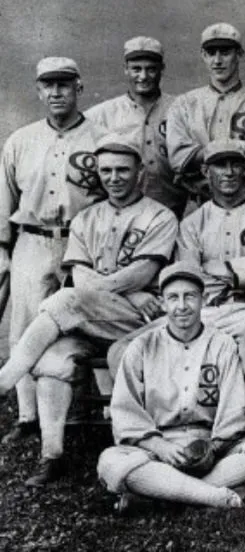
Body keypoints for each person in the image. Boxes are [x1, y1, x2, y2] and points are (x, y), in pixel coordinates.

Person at [0, 133, 177, 486]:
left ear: (140, 172)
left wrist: (130, 295)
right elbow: (80, 276)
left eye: (122, 170)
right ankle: (52, 456)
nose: (114, 178)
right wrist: (130, 293)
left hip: (138, 323)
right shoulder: (86, 218)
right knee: (52, 361)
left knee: (66, 300)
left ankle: (6, 378)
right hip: (92, 316)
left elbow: (143, 272)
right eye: (106, 171)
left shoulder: (160, 216)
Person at [108, 139, 245, 429]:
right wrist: (243, 269)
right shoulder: (192, 223)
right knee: (125, 348)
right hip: (206, 310)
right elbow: (193, 279)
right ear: (206, 171)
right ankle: (148, 430)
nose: (228, 172)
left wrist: (218, 267)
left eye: (235, 164)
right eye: (220, 165)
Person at [96, 263, 245, 511]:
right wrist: (160, 447)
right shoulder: (141, 346)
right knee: (109, 462)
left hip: (210, 447)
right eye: (173, 298)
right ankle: (219, 498)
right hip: (158, 448)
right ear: (163, 303)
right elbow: (126, 414)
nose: (182, 306)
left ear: (203, 300)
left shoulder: (222, 344)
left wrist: (211, 450)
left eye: (189, 296)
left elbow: (233, 413)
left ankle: (161, 498)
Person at [0, 57, 110, 445]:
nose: (57, 92)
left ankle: (103, 409)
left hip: (85, 240)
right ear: (38, 90)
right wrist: (2, 247)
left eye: (64, 84)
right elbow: (4, 199)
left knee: (90, 319)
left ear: (79, 87)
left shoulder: (102, 137)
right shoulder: (21, 140)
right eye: (49, 85)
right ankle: (28, 416)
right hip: (32, 238)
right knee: (25, 326)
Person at [165, 22, 245, 203]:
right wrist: (240, 150)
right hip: (200, 202)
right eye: (211, 53)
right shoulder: (184, 104)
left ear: (239, 54)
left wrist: (204, 153)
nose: (217, 61)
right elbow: (179, 159)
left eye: (225, 53)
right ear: (203, 55)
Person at [87, 36, 186, 217]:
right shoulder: (100, 115)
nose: (143, 76)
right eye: (136, 69)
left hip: (174, 209)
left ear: (162, 69)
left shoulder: (182, 108)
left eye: (151, 69)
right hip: (118, 214)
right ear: (125, 69)